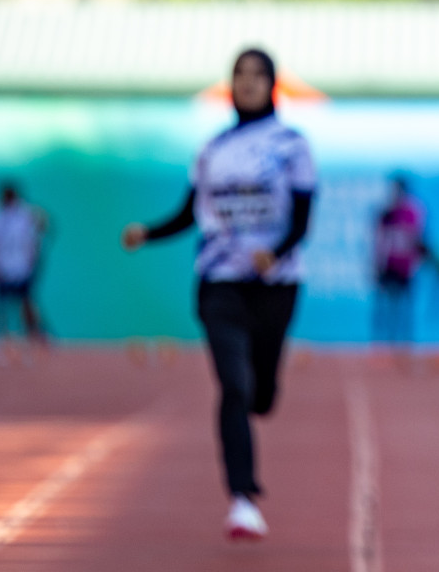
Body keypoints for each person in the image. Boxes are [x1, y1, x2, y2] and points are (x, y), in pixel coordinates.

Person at [121, 48, 315, 541]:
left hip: (276, 284)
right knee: (234, 386)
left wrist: (278, 251)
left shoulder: (292, 145)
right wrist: (149, 232)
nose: (247, 83)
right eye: (239, 75)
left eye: (258, 75)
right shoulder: (211, 150)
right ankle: (242, 499)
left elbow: (303, 215)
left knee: (262, 394)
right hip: (219, 281)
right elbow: (190, 213)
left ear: (272, 84)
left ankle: (263, 394)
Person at [0, 181, 49, 354]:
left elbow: (43, 226)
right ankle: (6, 338)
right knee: (4, 303)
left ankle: (34, 334)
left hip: (21, 266)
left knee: (25, 302)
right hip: (7, 266)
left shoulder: (24, 214)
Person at [373, 174, 427, 355]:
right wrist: (377, 264)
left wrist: (415, 264)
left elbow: (418, 238)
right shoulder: (386, 212)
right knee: (386, 306)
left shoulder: (413, 212)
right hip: (389, 265)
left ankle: (404, 345)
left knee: (404, 306)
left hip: (405, 266)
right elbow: (379, 240)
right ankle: (384, 344)